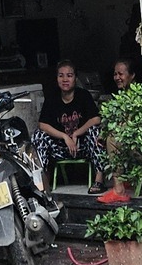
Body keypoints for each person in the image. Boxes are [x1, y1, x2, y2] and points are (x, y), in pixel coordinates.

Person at [34, 61, 106, 189]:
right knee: (38, 136)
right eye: (61, 76)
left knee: (95, 132)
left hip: (83, 146)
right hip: (61, 147)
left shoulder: (83, 95)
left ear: (75, 78)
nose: (65, 79)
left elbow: (96, 119)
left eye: (69, 75)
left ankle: (99, 180)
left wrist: (76, 133)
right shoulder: (52, 97)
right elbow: (42, 125)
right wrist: (65, 137)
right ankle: (44, 181)